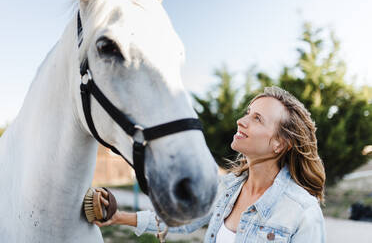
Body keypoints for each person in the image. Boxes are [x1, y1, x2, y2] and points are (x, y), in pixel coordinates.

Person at [95, 86, 326, 242]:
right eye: (248, 113)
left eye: (257, 119)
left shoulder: (303, 212)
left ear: (280, 144)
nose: (241, 121)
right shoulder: (226, 189)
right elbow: (182, 221)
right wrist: (119, 217)